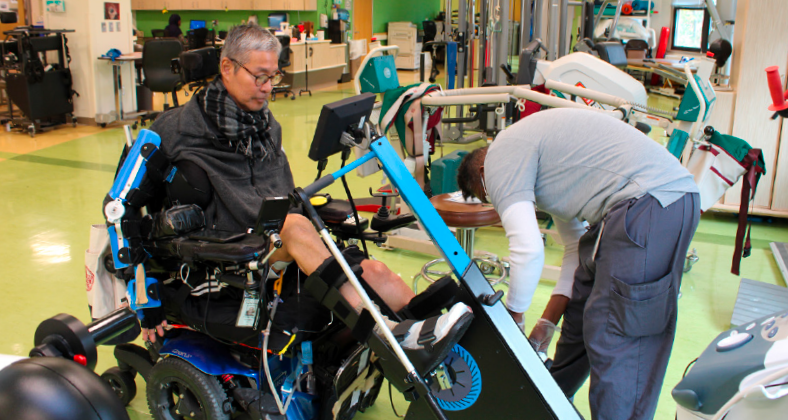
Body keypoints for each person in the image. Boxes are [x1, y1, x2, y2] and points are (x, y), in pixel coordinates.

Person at [143, 24, 472, 373]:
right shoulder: (172, 129)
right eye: (260, 77)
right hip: (231, 251)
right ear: (227, 67)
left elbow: (282, 193)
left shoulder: (266, 126)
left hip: (278, 238)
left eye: (274, 77)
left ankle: (441, 341)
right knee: (295, 225)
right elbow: (124, 210)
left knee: (376, 271)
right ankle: (387, 332)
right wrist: (145, 298)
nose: (268, 88)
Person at [457, 108, 700, 420]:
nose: (496, 198)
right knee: (584, 306)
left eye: (487, 195)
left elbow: (528, 249)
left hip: (649, 202)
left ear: (481, 172)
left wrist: (513, 323)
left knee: (615, 332)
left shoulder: (499, 156)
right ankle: (547, 405)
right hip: (655, 202)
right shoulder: (548, 167)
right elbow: (575, 250)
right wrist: (545, 325)